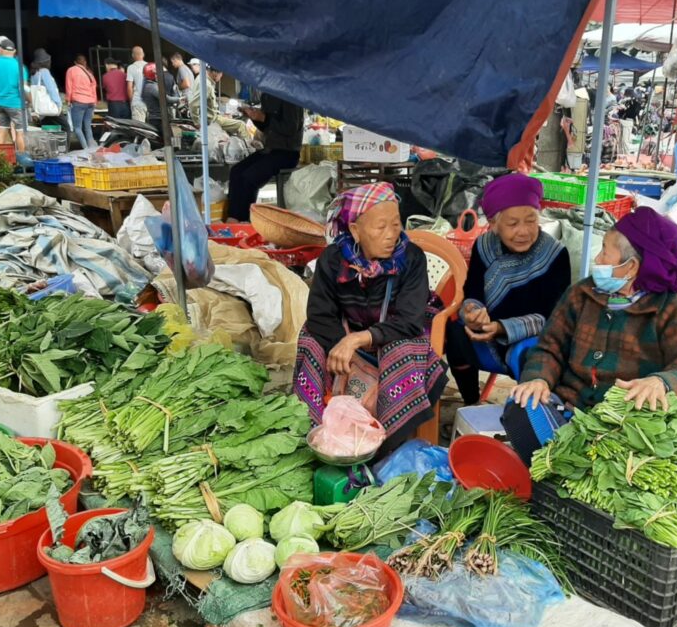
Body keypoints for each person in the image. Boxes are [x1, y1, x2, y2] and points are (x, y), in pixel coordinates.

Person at [507, 207, 677, 462]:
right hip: (571, 410)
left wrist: (661, 382)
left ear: (631, 266)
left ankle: (575, 463)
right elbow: (550, 347)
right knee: (521, 408)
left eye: (605, 251)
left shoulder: (676, 312)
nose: (598, 260)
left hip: (632, 423)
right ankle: (572, 460)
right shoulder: (581, 294)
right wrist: (539, 379)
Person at [293, 182, 448, 449]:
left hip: (399, 329)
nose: (392, 234)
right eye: (381, 227)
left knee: (400, 353)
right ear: (355, 229)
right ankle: (317, 430)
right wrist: (341, 342)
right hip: (350, 329)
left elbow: (410, 320)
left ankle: (382, 444)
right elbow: (320, 314)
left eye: (397, 224)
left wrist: (358, 340)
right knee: (310, 340)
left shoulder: (411, 258)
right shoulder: (332, 259)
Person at [445, 173, 571, 405]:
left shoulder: (555, 254)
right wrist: (473, 312)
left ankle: (529, 412)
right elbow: (472, 291)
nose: (523, 231)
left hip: (531, 337)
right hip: (488, 336)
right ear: (493, 225)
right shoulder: (484, 246)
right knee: (454, 334)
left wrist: (502, 328)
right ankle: (472, 404)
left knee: (531, 354)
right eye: (513, 223)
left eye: (531, 220)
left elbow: (553, 318)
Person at [227, 92, 304, 220]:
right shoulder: (267, 95)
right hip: (270, 150)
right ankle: (233, 218)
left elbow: (290, 128)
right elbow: (267, 127)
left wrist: (264, 118)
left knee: (249, 178)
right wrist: (254, 117)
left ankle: (245, 221)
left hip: (287, 153)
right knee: (236, 172)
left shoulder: (290, 95)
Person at [0, 36, 28, 153]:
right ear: (14, 51)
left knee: (2, 129)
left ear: (0, 49)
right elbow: (24, 88)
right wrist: (30, 102)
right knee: (20, 132)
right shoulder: (20, 66)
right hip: (16, 103)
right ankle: (22, 160)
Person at [187, 64, 251, 139]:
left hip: (212, 117)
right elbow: (193, 104)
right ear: (215, 73)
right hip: (212, 121)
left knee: (230, 119)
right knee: (241, 125)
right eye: (221, 74)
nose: (221, 76)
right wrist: (197, 123)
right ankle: (249, 148)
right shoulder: (206, 84)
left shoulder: (201, 78)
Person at [65, 54, 98, 150]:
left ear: (75, 62)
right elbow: (94, 89)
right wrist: (94, 103)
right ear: (85, 63)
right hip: (90, 103)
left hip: (78, 102)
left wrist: (68, 100)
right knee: (87, 126)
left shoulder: (71, 70)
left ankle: (86, 149)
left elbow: (69, 87)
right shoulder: (89, 73)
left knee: (77, 128)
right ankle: (92, 149)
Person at [141, 61, 176, 136]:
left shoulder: (148, 85)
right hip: (159, 119)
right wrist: (180, 99)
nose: (158, 75)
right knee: (170, 139)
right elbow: (166, 99)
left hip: (154, 117)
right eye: (156, 73)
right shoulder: (152, 87)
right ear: (152, 74)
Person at [126, 46, 147, 122]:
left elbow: (129, 87)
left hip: (138, 102)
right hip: (151, 103)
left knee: (139, 129)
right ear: (143, 54)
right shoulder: (150, 66)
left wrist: (131, 102)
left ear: (132, 56)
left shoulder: (131, 68)